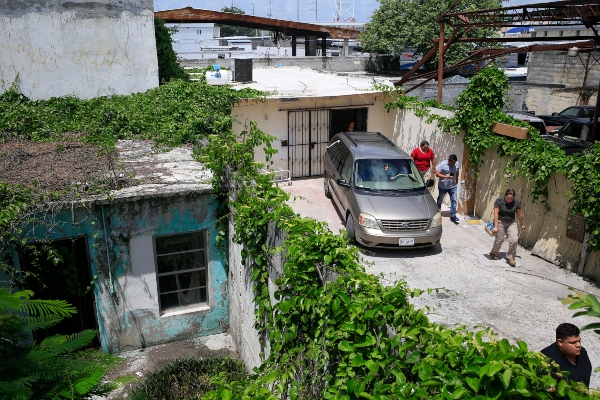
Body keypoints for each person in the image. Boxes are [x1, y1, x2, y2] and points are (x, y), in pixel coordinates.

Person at [540, 323, 592, 387]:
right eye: (573, 342)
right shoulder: (547, 358)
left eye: (579, 341)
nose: (578, 345)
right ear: (560, 342)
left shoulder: (582, 353)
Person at [489, 188, 525, 267]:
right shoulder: (499, 201)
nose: (509, 200)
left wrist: (522, 224)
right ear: (505, 196)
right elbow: (496, 214)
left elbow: (519, 214)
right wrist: (496, 226)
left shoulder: (517, 202)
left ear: (514, 197)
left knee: (514, 239)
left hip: (511, 222)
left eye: (511, 199)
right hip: (500, 221)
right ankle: (493, 252)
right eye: (507, 198)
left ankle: (510, 257)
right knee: (500, 239)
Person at [435, 154, 460, 223]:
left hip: (453, 186)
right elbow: (437, 174)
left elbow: (457, 172)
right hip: (443, 186)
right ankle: (437, 211)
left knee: (454, 200)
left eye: (454, 163)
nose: (453, 164)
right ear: (449, 160)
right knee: (440, 199)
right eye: (452, 162)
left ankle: (453, 216)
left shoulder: (456, 164)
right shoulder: (442, 164)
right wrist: (446, 177)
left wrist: (457, 180)